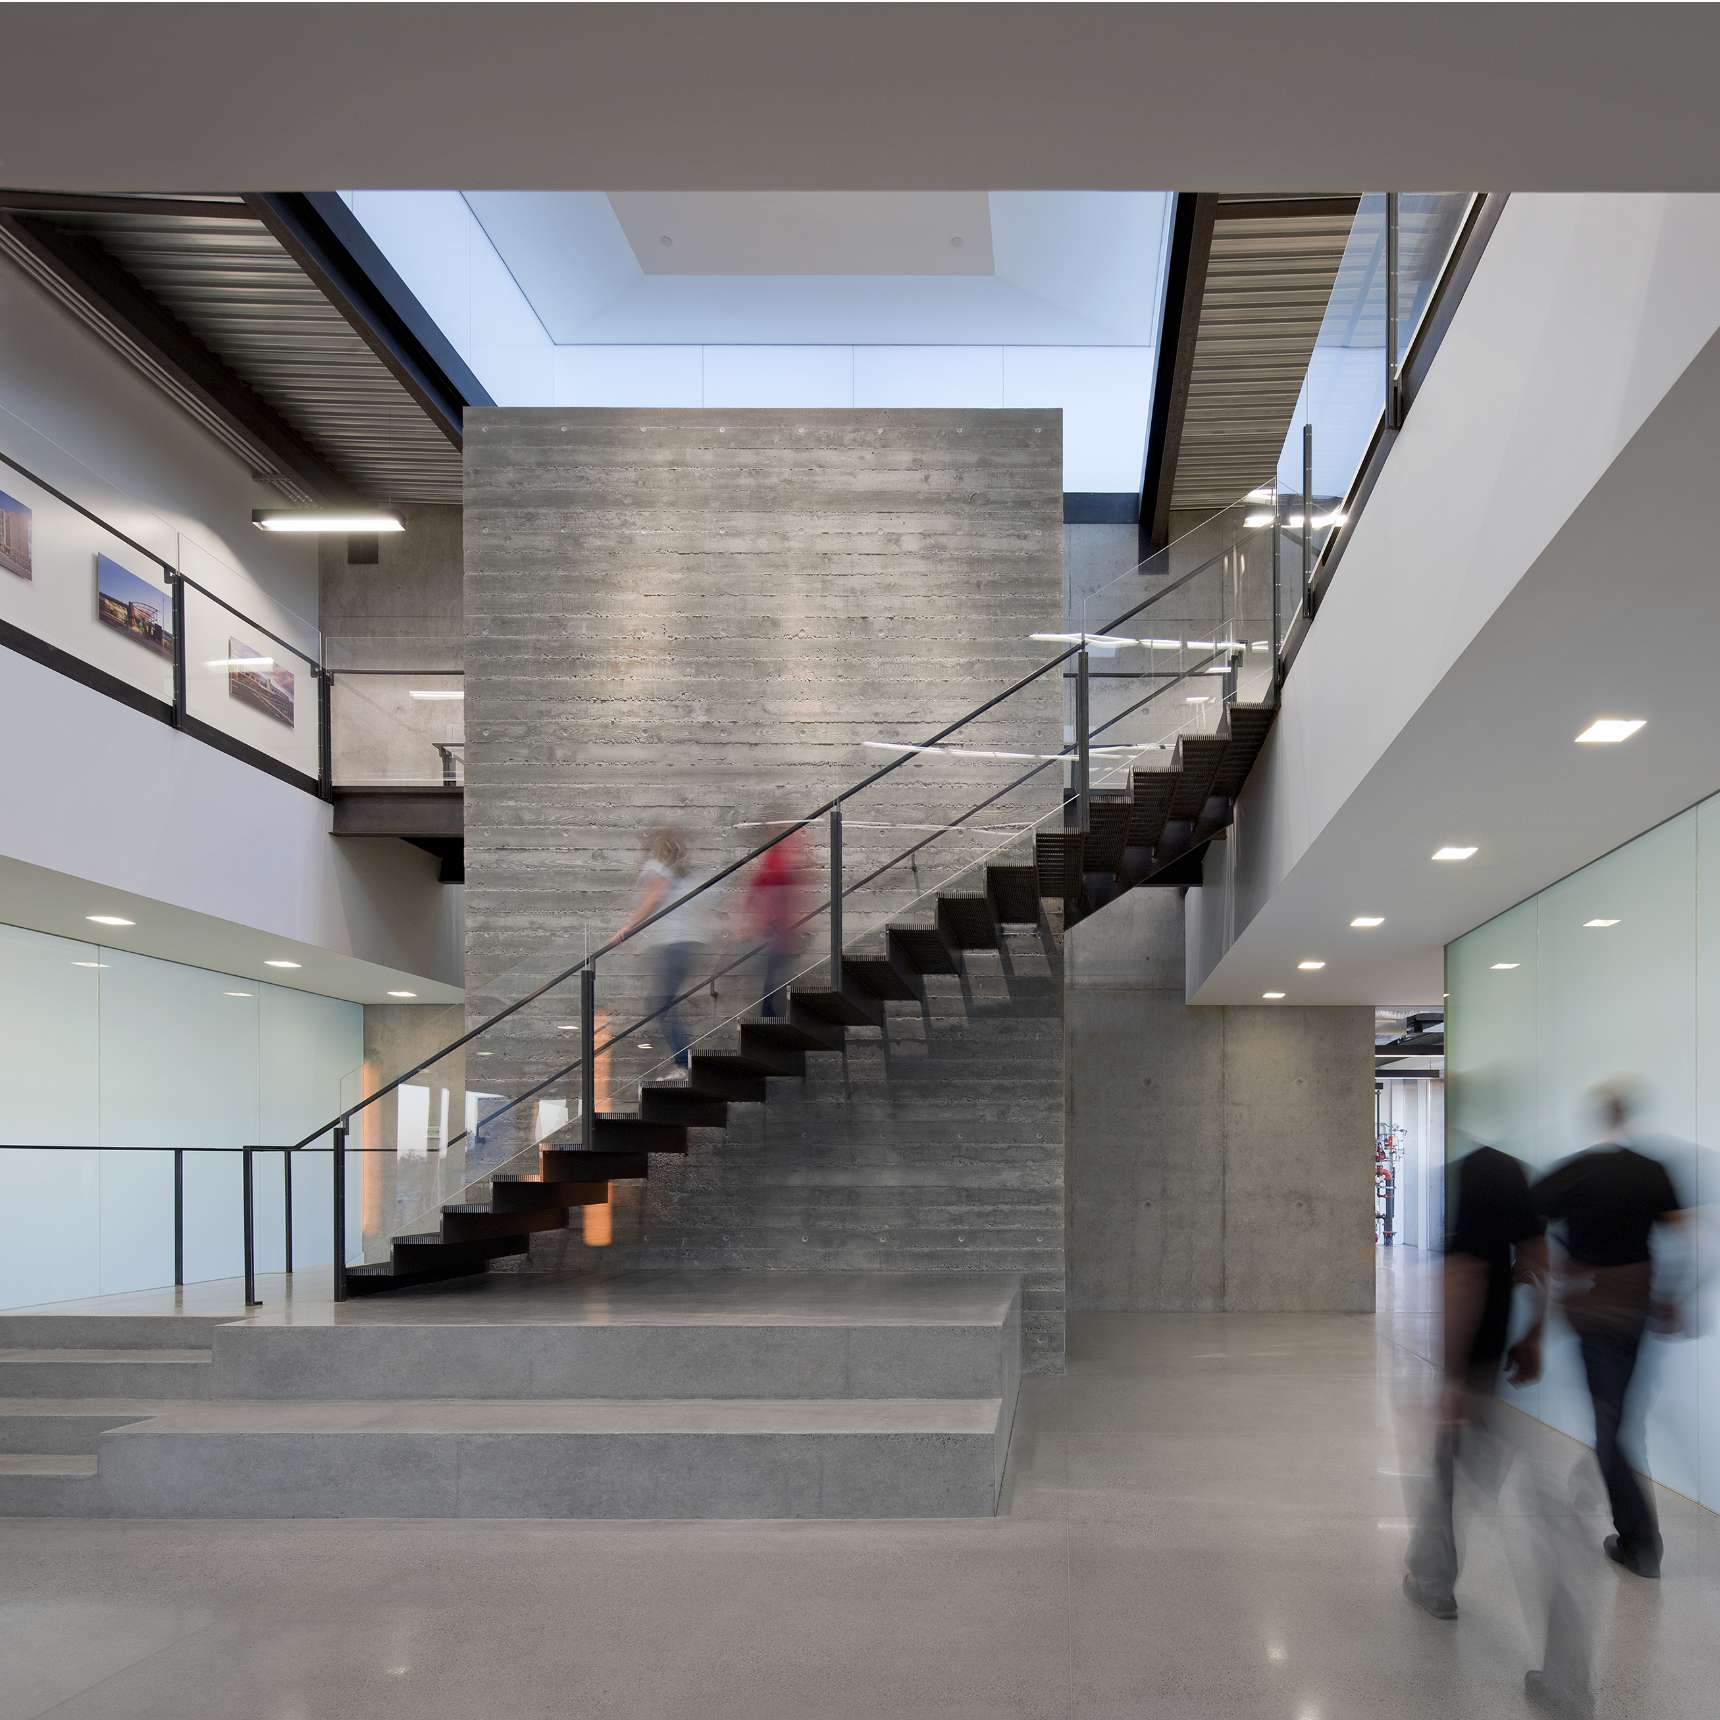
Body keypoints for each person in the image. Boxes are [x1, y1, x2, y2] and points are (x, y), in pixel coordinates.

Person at [1530, 1084, 1689, 1581]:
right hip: (1636, 1306)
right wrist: (1670, 1296)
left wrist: (1563, 1265)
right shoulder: (1652, 1171)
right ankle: (1636, 1534)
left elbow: (1533, 1216)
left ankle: (1640, 1541)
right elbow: (1683, 1238)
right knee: (1619, 1418)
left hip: (1595, 1309)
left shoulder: (1576, 1171)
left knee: (1609, 1426)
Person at [1404, 1141, 1548, 1620]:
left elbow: (1463, 1278)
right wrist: (1533, 1336)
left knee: (1448, 1471)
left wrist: (1452, 1378)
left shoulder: (1468, 1175)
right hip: (1496, 1358)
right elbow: (1538, 1262)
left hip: (1471, 1359)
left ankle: (1433, 1582)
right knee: (1465, 1466)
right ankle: (1428, 1569)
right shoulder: (1512, 1171)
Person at [619, 827, 710, 1072]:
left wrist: (628, 926)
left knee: (660, 1003)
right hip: (690, 945)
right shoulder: (687, 877)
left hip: (673, 945)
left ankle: (684, 1063)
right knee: (662, 1002)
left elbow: (655, 895)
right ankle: (684, 1060)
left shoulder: (656, 868)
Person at [743, 812, 808, 1018]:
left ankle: (769, 1011)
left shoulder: (780, 854)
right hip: (777, 924)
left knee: (774, 966)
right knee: (774, 966)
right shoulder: (776, 855)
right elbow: (760, 884)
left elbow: (761, 885)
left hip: (779, 924)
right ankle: (768, 1011)